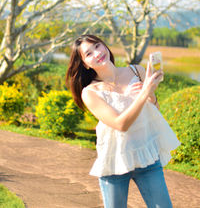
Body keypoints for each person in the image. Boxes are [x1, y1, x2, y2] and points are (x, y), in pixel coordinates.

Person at [66, 34, 180, 208]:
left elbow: (154, 110)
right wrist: (142, 95)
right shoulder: (90, 93)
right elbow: (121, 125)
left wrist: (149, 93)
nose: (97, 53)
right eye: (88, 54)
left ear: (104, 46)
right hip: (115, 162)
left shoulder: (137, 71)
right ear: (85, 64)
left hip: (146, 156)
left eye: (97, 46)